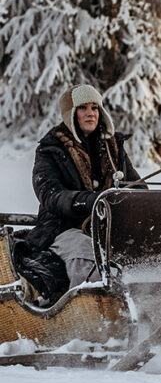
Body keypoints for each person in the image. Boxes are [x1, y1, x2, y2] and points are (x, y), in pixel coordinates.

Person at [14, 84, 144, 305]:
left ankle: (146, 309)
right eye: (83, 107)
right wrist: (86, 201)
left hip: (107, 226)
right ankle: (90, 315)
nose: (91, 113)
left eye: (95, 107)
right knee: (87, 256)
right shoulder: (50, 149)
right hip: (61, 227)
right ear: (71, 114)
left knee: (142, 252)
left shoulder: (113, 147)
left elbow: (137, 188)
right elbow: (49, 194)